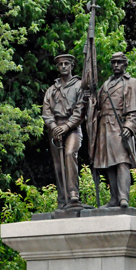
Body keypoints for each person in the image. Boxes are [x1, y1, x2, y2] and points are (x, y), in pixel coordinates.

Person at [92, 52, 136, 208]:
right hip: (104, 127)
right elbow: (96, 106)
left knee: (122, 161)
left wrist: (130, 127)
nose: (116, 65)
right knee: (109, 163)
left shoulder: (133, 83)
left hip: (119, 126)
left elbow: (135, 110)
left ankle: (123, 197)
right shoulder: (105, 84)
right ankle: (114, 198)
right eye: (113, 62)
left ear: (125, 64)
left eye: (119, 62)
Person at [42, 54, 86, 208]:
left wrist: (66, 127)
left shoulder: (79, 86)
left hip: (72, 128)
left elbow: (81, 111)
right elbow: (46, 112)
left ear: (72, 65)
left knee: (69, 154)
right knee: (58, 164)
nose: (63, 66)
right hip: (55, 129)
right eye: (60, 64)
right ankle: (62, 198)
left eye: (66, 63)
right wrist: (54, 127)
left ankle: (73, 193)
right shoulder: (51, 90)